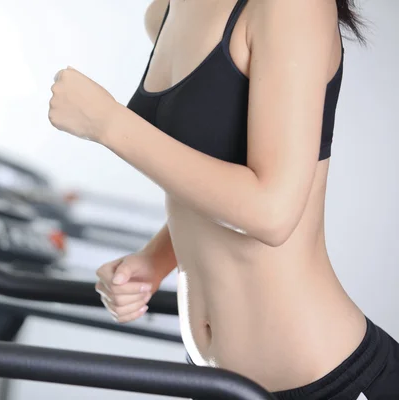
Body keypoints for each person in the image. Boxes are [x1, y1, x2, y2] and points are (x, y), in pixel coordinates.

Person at [48, 0, 399, 398]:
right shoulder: (167, 8)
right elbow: (212, 162)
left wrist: (109, 123)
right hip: (211, 379)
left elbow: (272, 212)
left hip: (322, 380)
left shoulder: (292, 8)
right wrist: (157, 258)